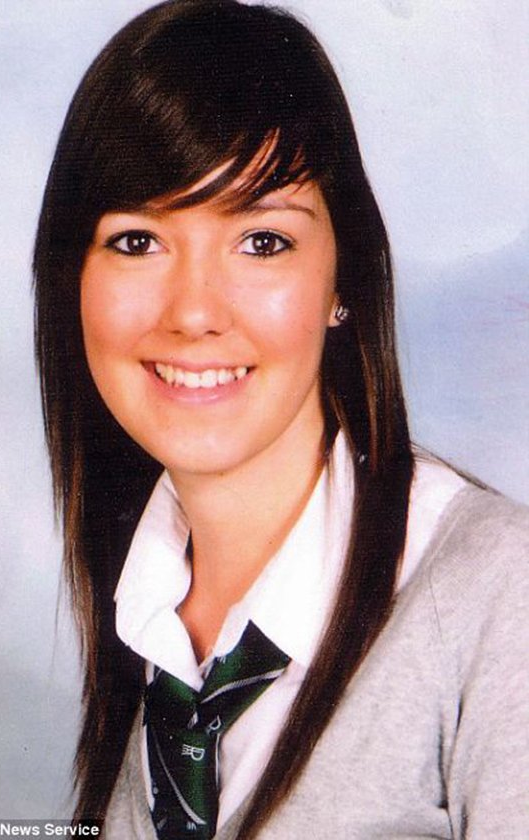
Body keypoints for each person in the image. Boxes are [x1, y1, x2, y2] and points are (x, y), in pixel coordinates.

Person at [33, 0, 529, 837]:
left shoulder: (500, 597)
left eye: (262, 241)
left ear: (344, 283)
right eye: (137, 241)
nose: (194, 313)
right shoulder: (146, 613)